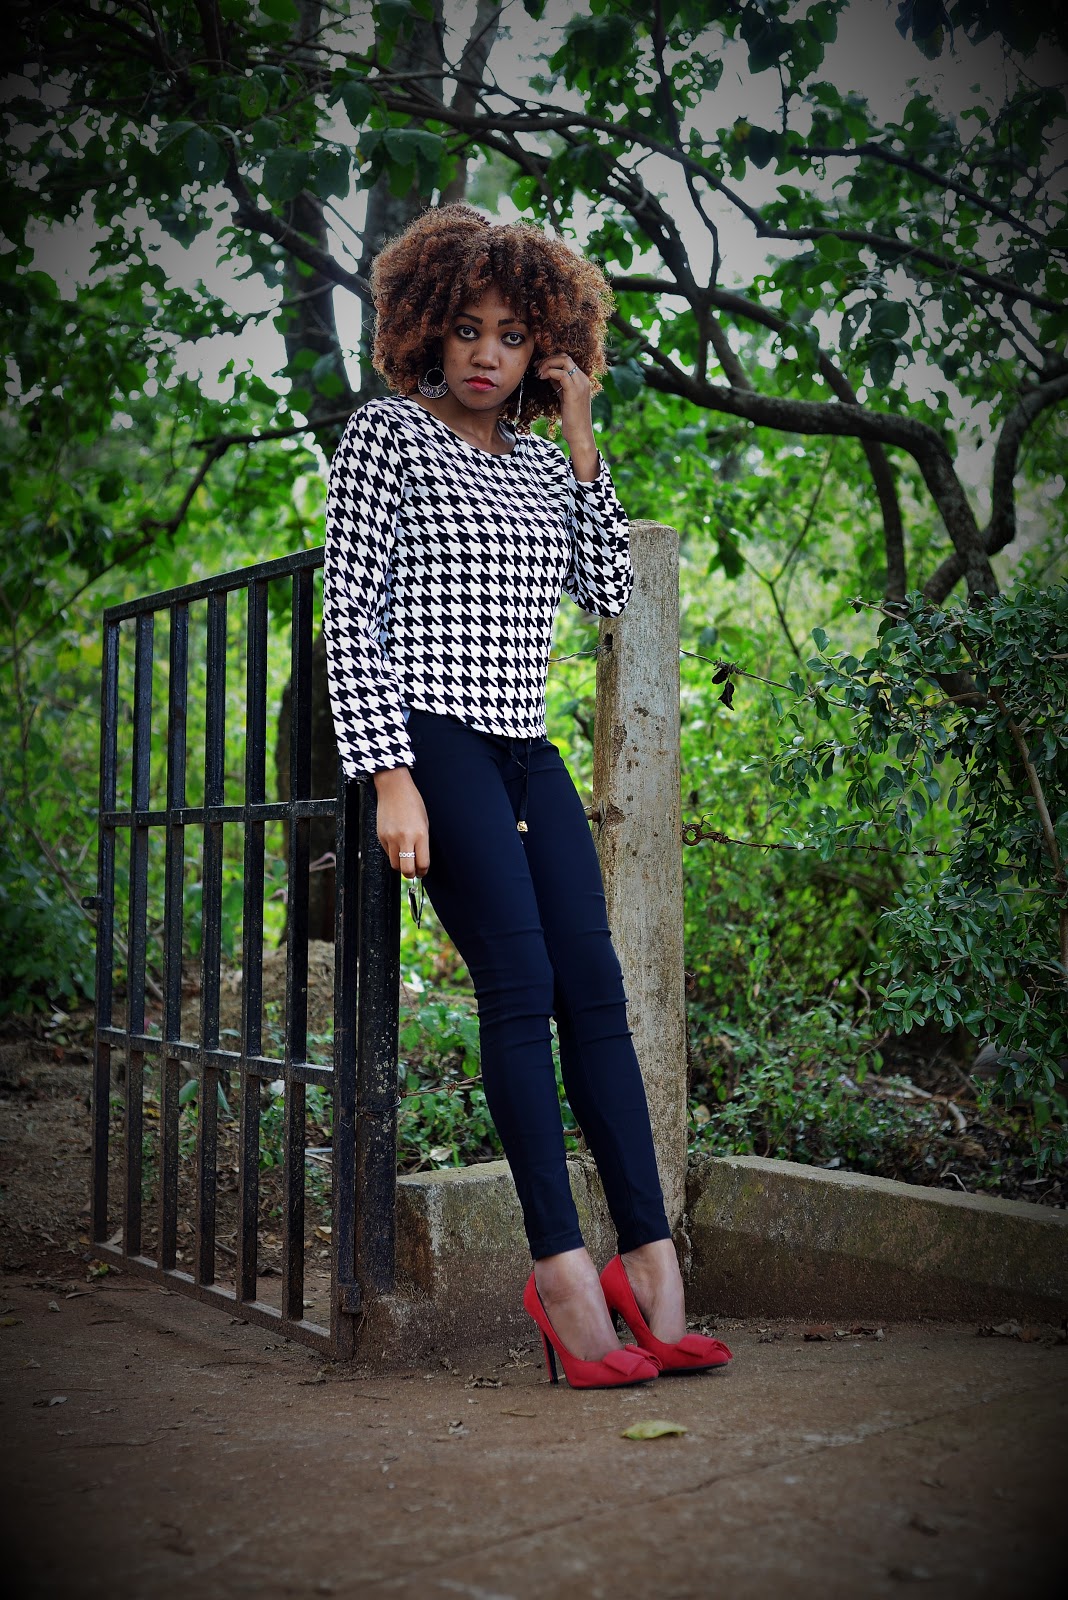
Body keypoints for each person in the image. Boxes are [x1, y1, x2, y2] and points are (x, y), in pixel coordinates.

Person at [323, 202, 730, 1389]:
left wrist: (583, 431)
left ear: (547, 343)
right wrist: (391, 776)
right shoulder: (388, 437)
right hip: (434, 738)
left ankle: (649, 1265)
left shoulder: (547, 463)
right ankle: (560, 1275)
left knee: (594, 990)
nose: (487, 354)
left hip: (523, 748)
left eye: (512, 334)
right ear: (426, 330)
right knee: (521, 986)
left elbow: (607, 588)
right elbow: (350, 614)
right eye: (468, 329)